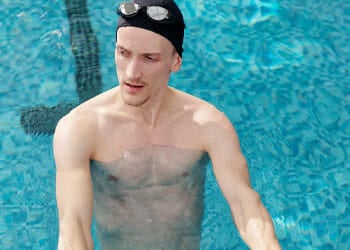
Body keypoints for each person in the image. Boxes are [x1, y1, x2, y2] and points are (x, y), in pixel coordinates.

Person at [54, 0, 281, 249]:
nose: (131, 73)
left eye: (149, 58)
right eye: (123, 53)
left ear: (176, 62)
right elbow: (73, 226)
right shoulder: (81, 129)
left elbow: (244, 203)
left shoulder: (208, 124)